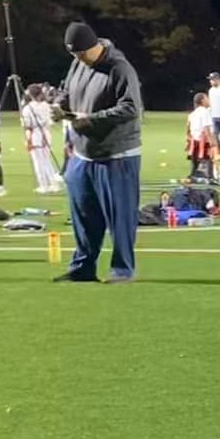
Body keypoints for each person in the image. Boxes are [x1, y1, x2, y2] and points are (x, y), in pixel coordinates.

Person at [55, 20, 145, 284]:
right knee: (83, 215)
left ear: (93, 46)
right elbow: (66, 91)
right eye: (73, 54)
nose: (78, 59)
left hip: (116, 155)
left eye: (81, 53)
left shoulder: (120, 68)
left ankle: (122, 270)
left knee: (120, 217)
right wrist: (59, 106)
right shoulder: (78, 63)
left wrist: (91, 120)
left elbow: (130, 108)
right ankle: (83, 268)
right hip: (83, 153)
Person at [21, 84, 63, 195]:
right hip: (46, 133)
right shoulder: (46, 106)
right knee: (47, 160)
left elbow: (27, 126)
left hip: (35, 135)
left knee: (38, 162)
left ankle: (43, 185)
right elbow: (51, 120)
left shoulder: (27, 108)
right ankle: (54, 184)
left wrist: (28, 140)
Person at [186, 92, 218, 184]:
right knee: (208, 158)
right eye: (207, 98)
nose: (209, 100)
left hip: (195, 139)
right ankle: (210, 177)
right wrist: (212, 140)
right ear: (202, 101)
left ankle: (192, 175)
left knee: (195, 159)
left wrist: (188, 138)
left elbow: (188, 125)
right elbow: (206, 128)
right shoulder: (205, 112)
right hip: (202, 139)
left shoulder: (194, 113)